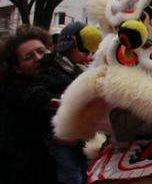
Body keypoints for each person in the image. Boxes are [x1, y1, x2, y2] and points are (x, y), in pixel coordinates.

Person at [0, 25, 87, 184]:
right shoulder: (18, 94)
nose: (38, 58)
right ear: (17, 68)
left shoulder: (66, 72)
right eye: (28, 57)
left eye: (41, 51)